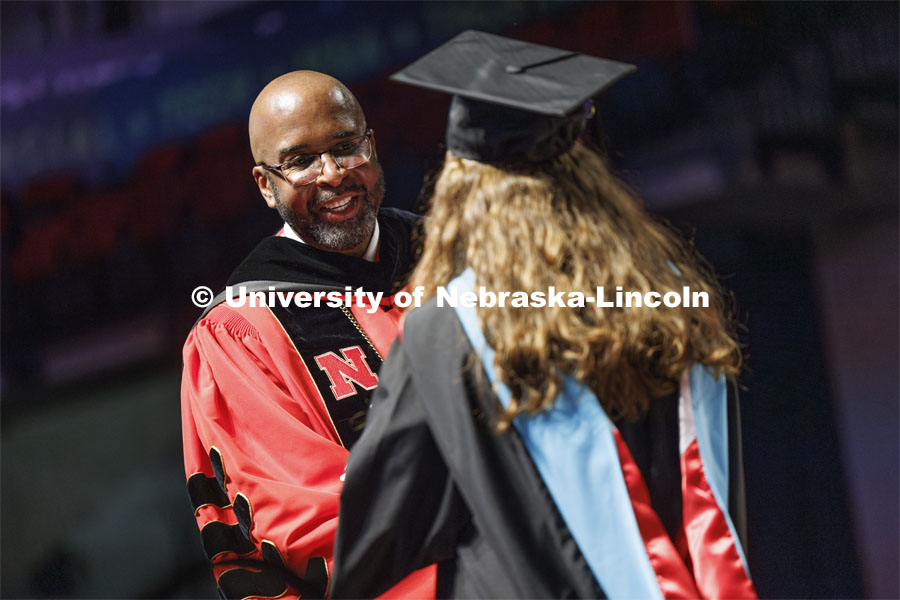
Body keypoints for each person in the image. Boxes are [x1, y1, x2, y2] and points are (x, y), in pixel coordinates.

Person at [331, 31, 757, 599]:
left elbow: (384, 531)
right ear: (585, 172)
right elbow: (711, 494)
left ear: (463, 185)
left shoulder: (446, 331)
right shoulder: (669, 299)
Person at [180, 70, 434, 599]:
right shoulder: (239, 332)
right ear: (264, 185)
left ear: (371, 144)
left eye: (345, 147)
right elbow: (307, 517)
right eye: (299, 161)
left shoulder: (457, 257)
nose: (332, 174)